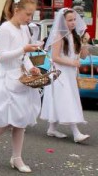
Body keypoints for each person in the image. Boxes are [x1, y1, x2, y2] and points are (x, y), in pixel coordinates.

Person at [0, 0, 42, 173]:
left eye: (32, 14)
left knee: (20, 120)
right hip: (6, 77)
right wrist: (23, 49)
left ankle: (17, 157)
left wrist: (31, 67)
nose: (30, 18)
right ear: (16, 9)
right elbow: (2, 57)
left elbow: (25, 56)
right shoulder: (5, 29)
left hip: (21, 77)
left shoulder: (24, 29)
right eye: (27, 14)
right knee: (9, 119)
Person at [40, 8, 90, 143]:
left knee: (61, 100)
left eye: (74, 19)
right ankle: (76, 133)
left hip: (69, 73)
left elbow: (83, 56)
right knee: (68, 100)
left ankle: (52, 128)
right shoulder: (58, 36)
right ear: (63, 21)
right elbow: (55, 57)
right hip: (60, 73)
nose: (73, 22)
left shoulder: (74, 36)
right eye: (70, 20)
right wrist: (72, 62)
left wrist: (85, 42)